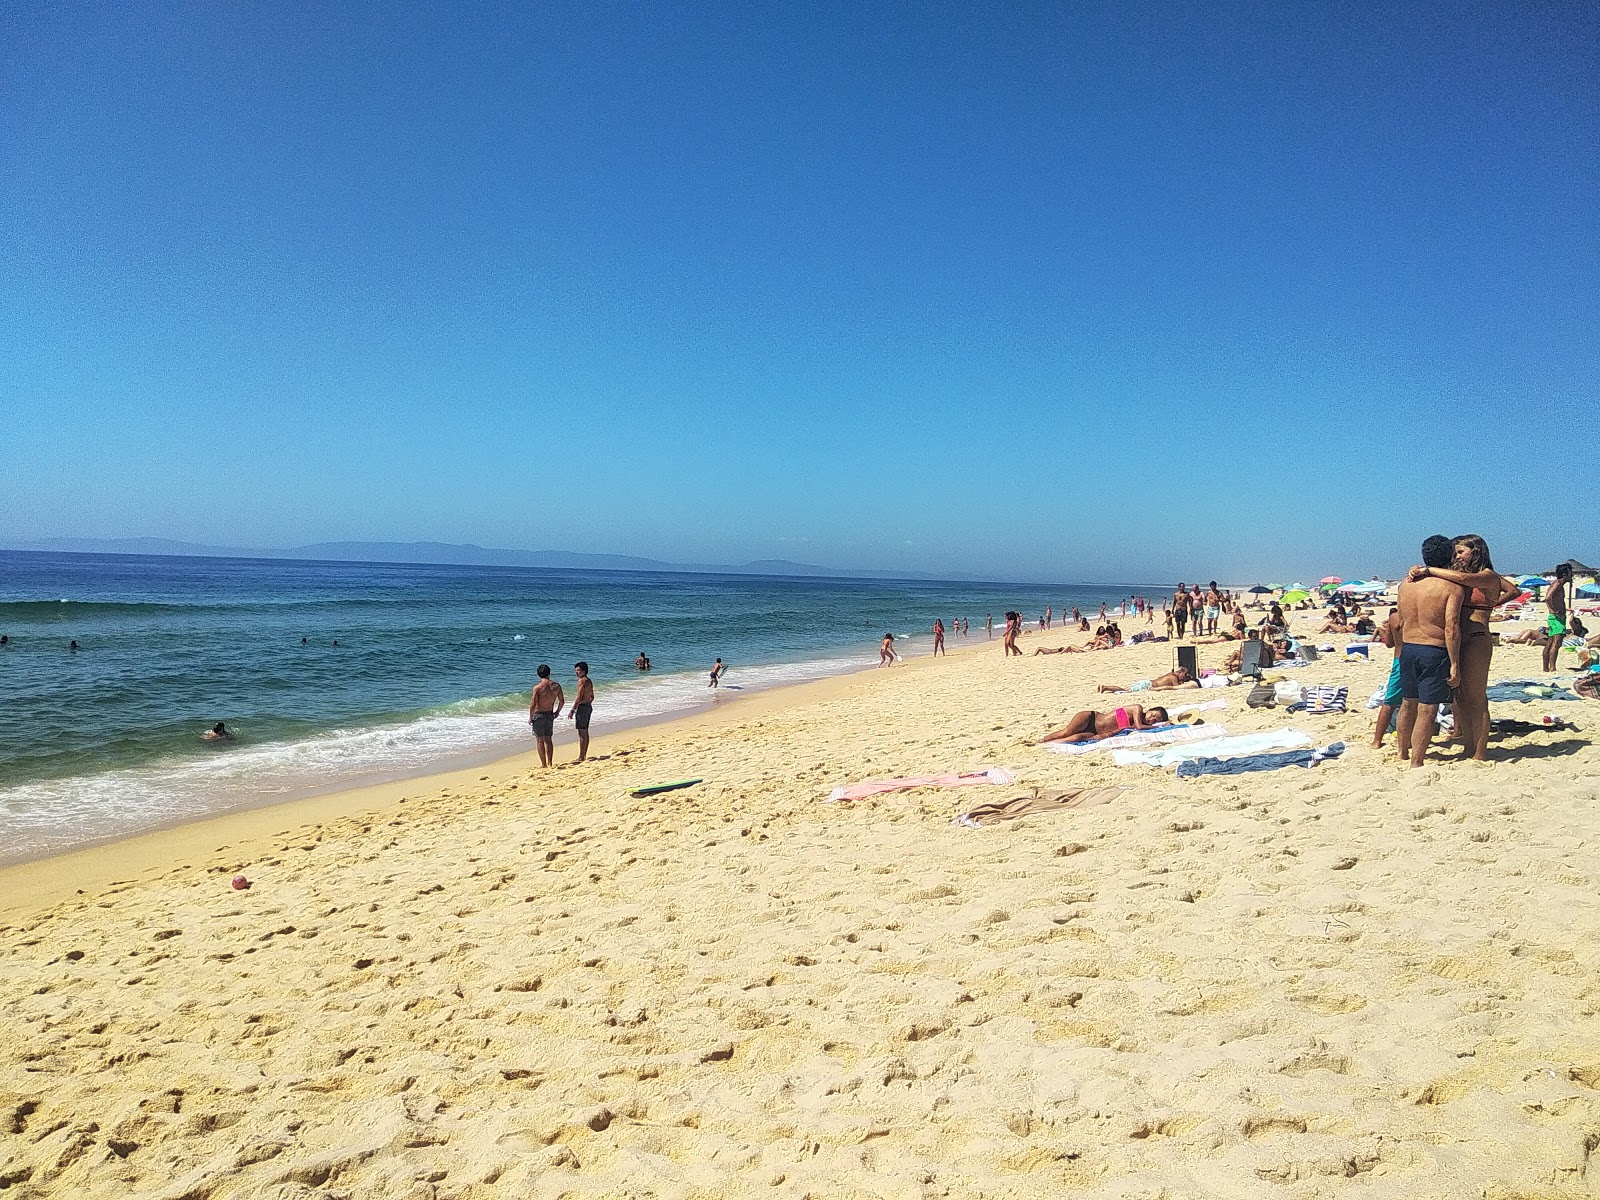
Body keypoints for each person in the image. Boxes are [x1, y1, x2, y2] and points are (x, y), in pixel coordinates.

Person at [1406, 534, 1520, 760]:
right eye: (1455, 552)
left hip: (1476, 639)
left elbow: (1508, 589)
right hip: (1457, 640)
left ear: (1476, 551)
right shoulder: (1462, 576)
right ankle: (1468, 745)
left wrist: (1428, 570)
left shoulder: (1487, 576)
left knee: (1476, 698)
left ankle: (1479, 753)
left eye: (1461, 552)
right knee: (1460, 697)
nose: (1456, 556)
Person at [1393, 535, 1464, 768]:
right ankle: (1416, 761)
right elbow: (1451, 627)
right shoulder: (1451, 586)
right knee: (1427, 708)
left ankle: (1402, 753)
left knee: (1407, 703)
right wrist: (1454, 662)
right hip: (1433, 649)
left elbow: (1400, 620)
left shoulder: (1406, 584)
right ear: (1451, 555)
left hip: (1408, 647)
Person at [1036, 705, 1171, 743]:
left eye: (1156, 720)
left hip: (1096, 732)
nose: (1152, 719)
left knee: (1077, 738)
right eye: (1153, 715)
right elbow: (1139, 727)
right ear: (1149, 710)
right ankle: (1041, 740)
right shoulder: (1137, 709)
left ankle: (1049, 744)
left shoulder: (1138, 724)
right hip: (1091, 718)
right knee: (1065, 732)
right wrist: (1159, 726)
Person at [1371, 609, 1403, 749]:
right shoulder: (1423, 613)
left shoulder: (1395, 617)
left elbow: (1389, 643)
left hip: (1400, 659)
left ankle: (1377, 741)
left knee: (1390, 702)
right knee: (1415, 703)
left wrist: (1387, 629)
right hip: (1423, 656)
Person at [528, 664, 564, 768]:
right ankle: (550, 762)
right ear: (549, 673)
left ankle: (544, 764)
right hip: (549, 714)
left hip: (539, 714)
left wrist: (530, 717)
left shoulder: (538, 688)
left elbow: (533, 704)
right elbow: (562, 701)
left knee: (540, 740)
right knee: (548, 739)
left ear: (539, 674)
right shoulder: (556, 686)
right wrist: (557, 712)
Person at [1544, 564, 1572, 673]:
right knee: (1556, 642)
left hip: (1555, 617)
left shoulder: (1557, 584)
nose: (1572, 576)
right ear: (1565, 574)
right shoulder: (1558, 584)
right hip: (1557, 617)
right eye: (1570, 573)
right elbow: (1548, 597)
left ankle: (1546, 668)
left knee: (1550, 642)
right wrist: (1553, 609)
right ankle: (1552, 668)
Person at [1097, 666, 1196, 692]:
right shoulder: (1173, 677)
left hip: (1147, 682)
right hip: (1148, 685)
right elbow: (1177, 688)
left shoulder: (1170, 674)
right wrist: (1183, 681)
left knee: (1126, 689)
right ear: (1181, 672)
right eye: (1184, 674)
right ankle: (1105, 687)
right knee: (1125, 690)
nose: (1184, 676)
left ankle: (1106, 688)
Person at [569, 662, 594, 763]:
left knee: (582, 732)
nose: (576, 672)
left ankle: (581, 756)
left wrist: (572, 710)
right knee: (585, 731)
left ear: (584, 671)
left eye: (578, 670)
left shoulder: (582, 681)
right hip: (588, 706)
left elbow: (579, 697)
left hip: (583, 707)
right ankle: (583, 755)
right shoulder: (589, 680)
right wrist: (587, 703)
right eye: (576, 670)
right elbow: (592, 696)